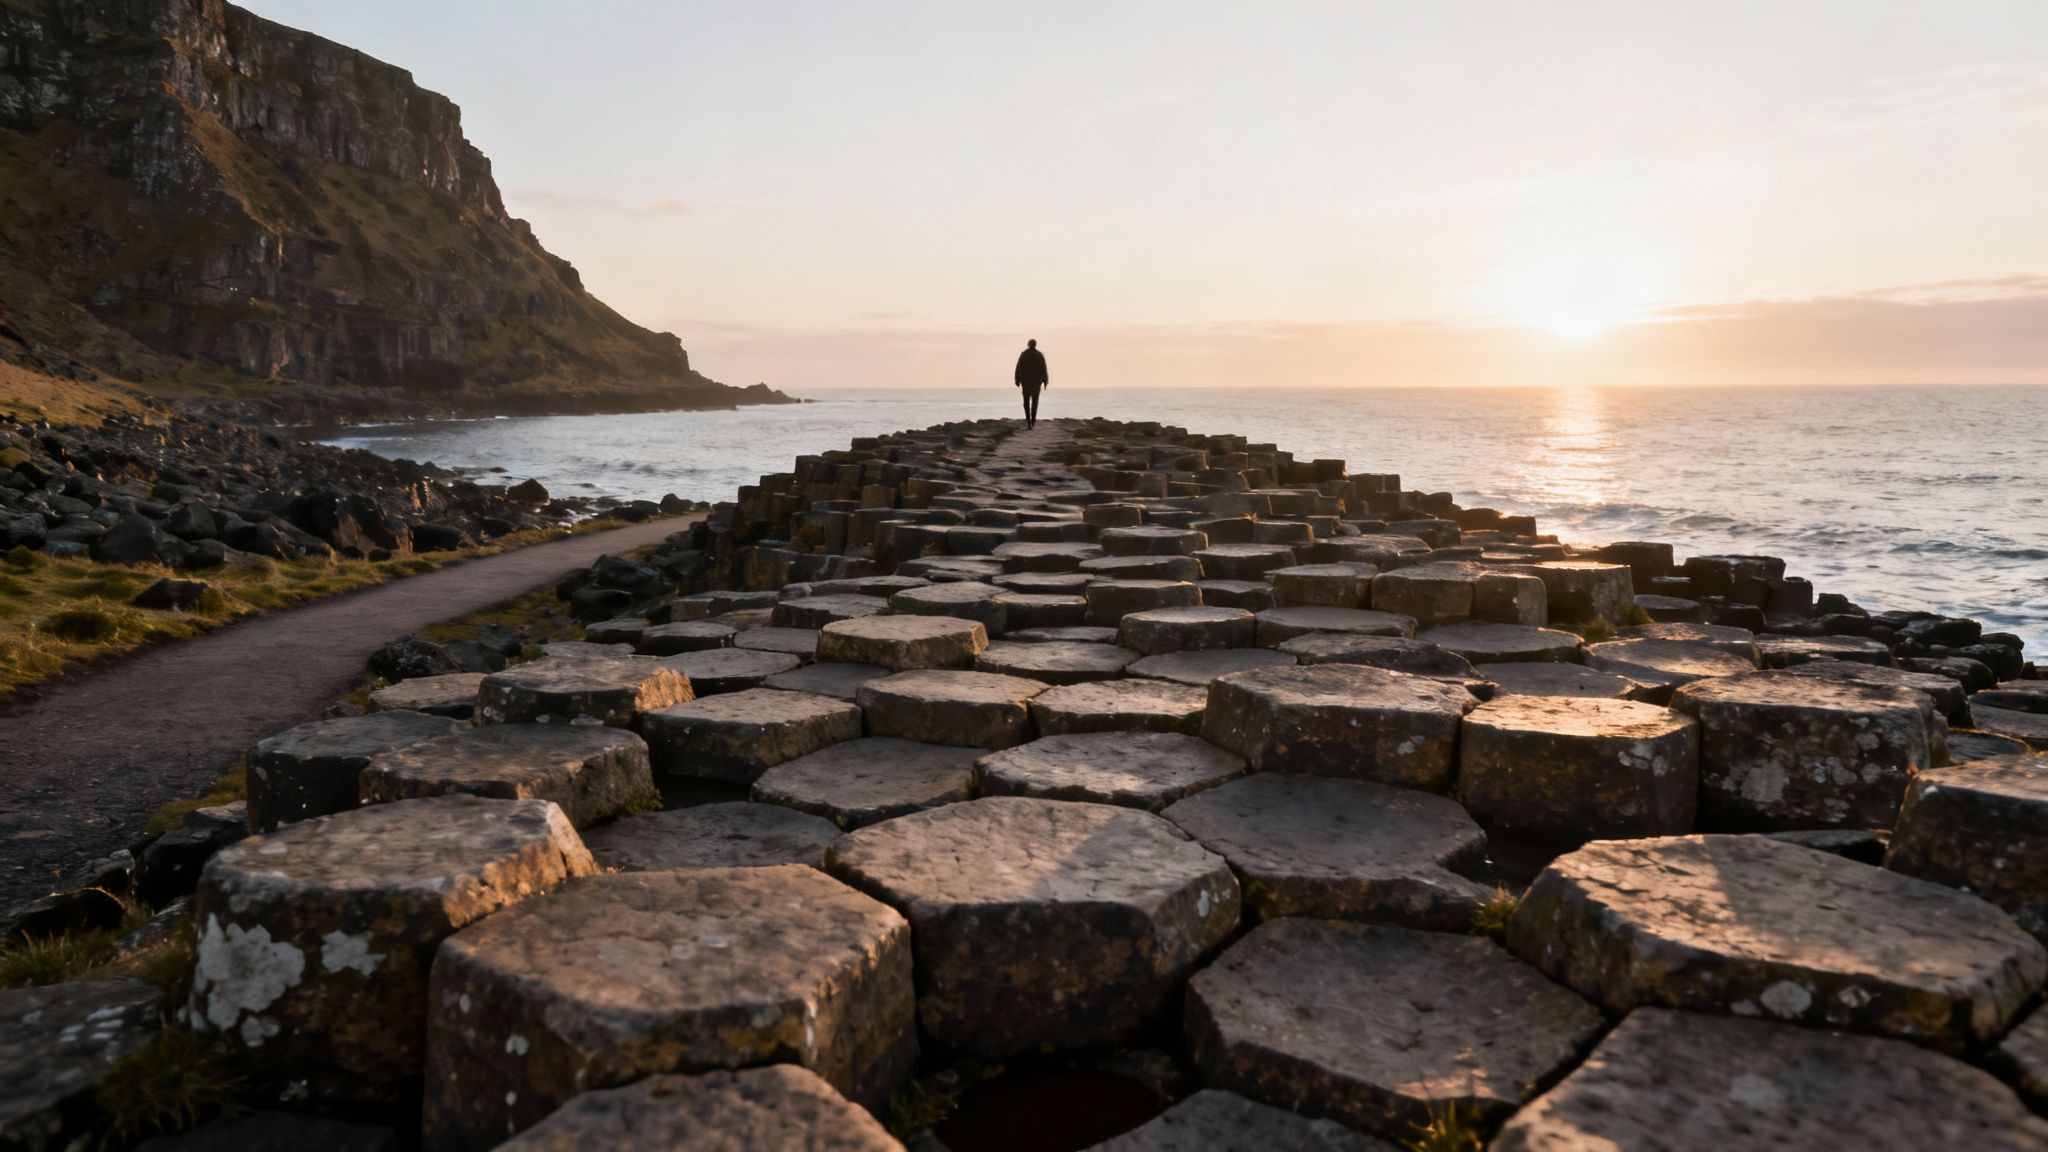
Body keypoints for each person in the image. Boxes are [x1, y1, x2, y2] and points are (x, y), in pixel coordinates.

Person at [1013, 339, 1048, 428]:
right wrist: (1045, 381)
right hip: (1036, 382)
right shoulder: (1039, 355)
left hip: (1026, 382)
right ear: (1035, 345)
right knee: (1035, 402)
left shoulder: (1024, 355)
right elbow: (1044, 369)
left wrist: (1017, 380)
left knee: (1026, 402)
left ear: (1028, 344)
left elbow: (1018, 367)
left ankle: (1029, 421)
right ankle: (1033, 421)